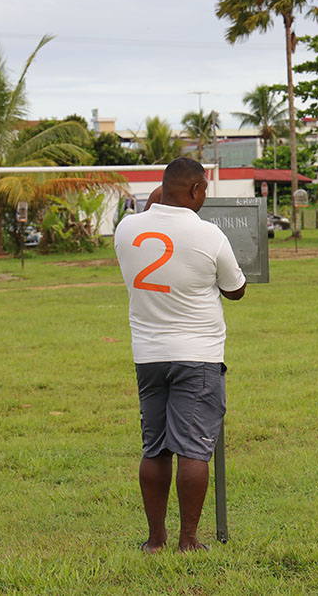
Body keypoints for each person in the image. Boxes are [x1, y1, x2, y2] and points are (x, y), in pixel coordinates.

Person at [114, 157, 247, 553]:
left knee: (154, 448)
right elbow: (236, 290)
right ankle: (189, 540)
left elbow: (155, 204)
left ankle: (155, 540)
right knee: (193, 449)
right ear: (195, 191)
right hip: (198, 356)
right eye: (203, 190)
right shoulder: (210, 236)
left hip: (148, 356)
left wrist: (164, 197)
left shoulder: (126, 229)